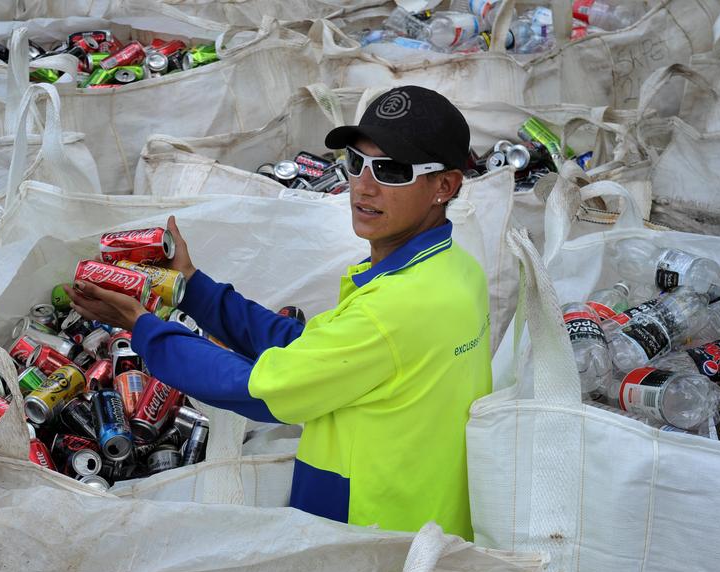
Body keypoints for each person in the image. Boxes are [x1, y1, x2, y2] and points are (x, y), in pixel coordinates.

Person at [71, 86, 491, 537]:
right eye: (355, 163)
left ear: (444, 186)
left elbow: (259, 391)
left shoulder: (396, 307)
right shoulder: (457, 270)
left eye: (391, 171)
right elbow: (305, 350)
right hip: (425, 523)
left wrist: (143, 328)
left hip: (369, 544)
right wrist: (190, 288)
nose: (364, 187)